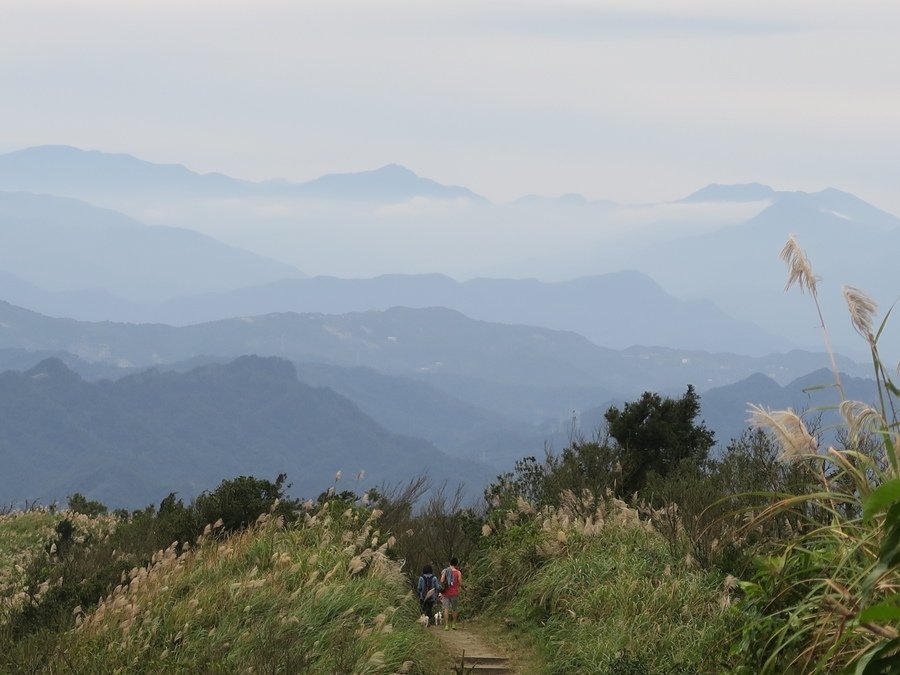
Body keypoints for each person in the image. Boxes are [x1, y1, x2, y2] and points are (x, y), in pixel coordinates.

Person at [440, 557, 462, 630]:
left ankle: (446, 625)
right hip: (454, 593)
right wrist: (464, 589)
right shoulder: (458, 572)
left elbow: (442, 580)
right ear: (456, 564)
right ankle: (454, 624)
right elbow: (460, 583)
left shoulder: (445, 571)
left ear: (450, 563)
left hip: (446, 593)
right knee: (454, 609)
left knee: (446, 609)